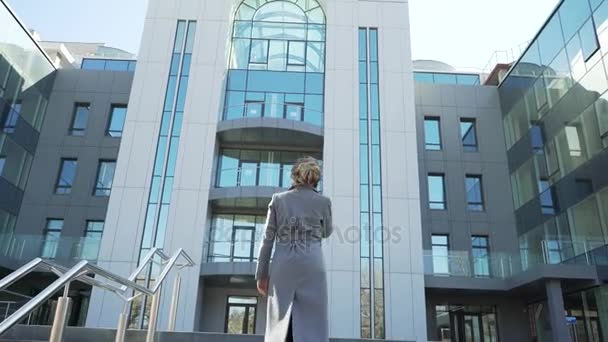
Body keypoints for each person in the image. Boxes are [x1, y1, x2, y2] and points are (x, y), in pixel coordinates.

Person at [255, 156, 333, 342]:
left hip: (284, 263)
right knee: (313, 321)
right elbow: (327, 232)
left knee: (281, 318)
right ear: (316, 178)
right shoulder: (324, 202)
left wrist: (261, 274)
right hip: (312, 262)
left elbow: (267, 240)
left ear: (294, 176)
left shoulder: (278, 199)